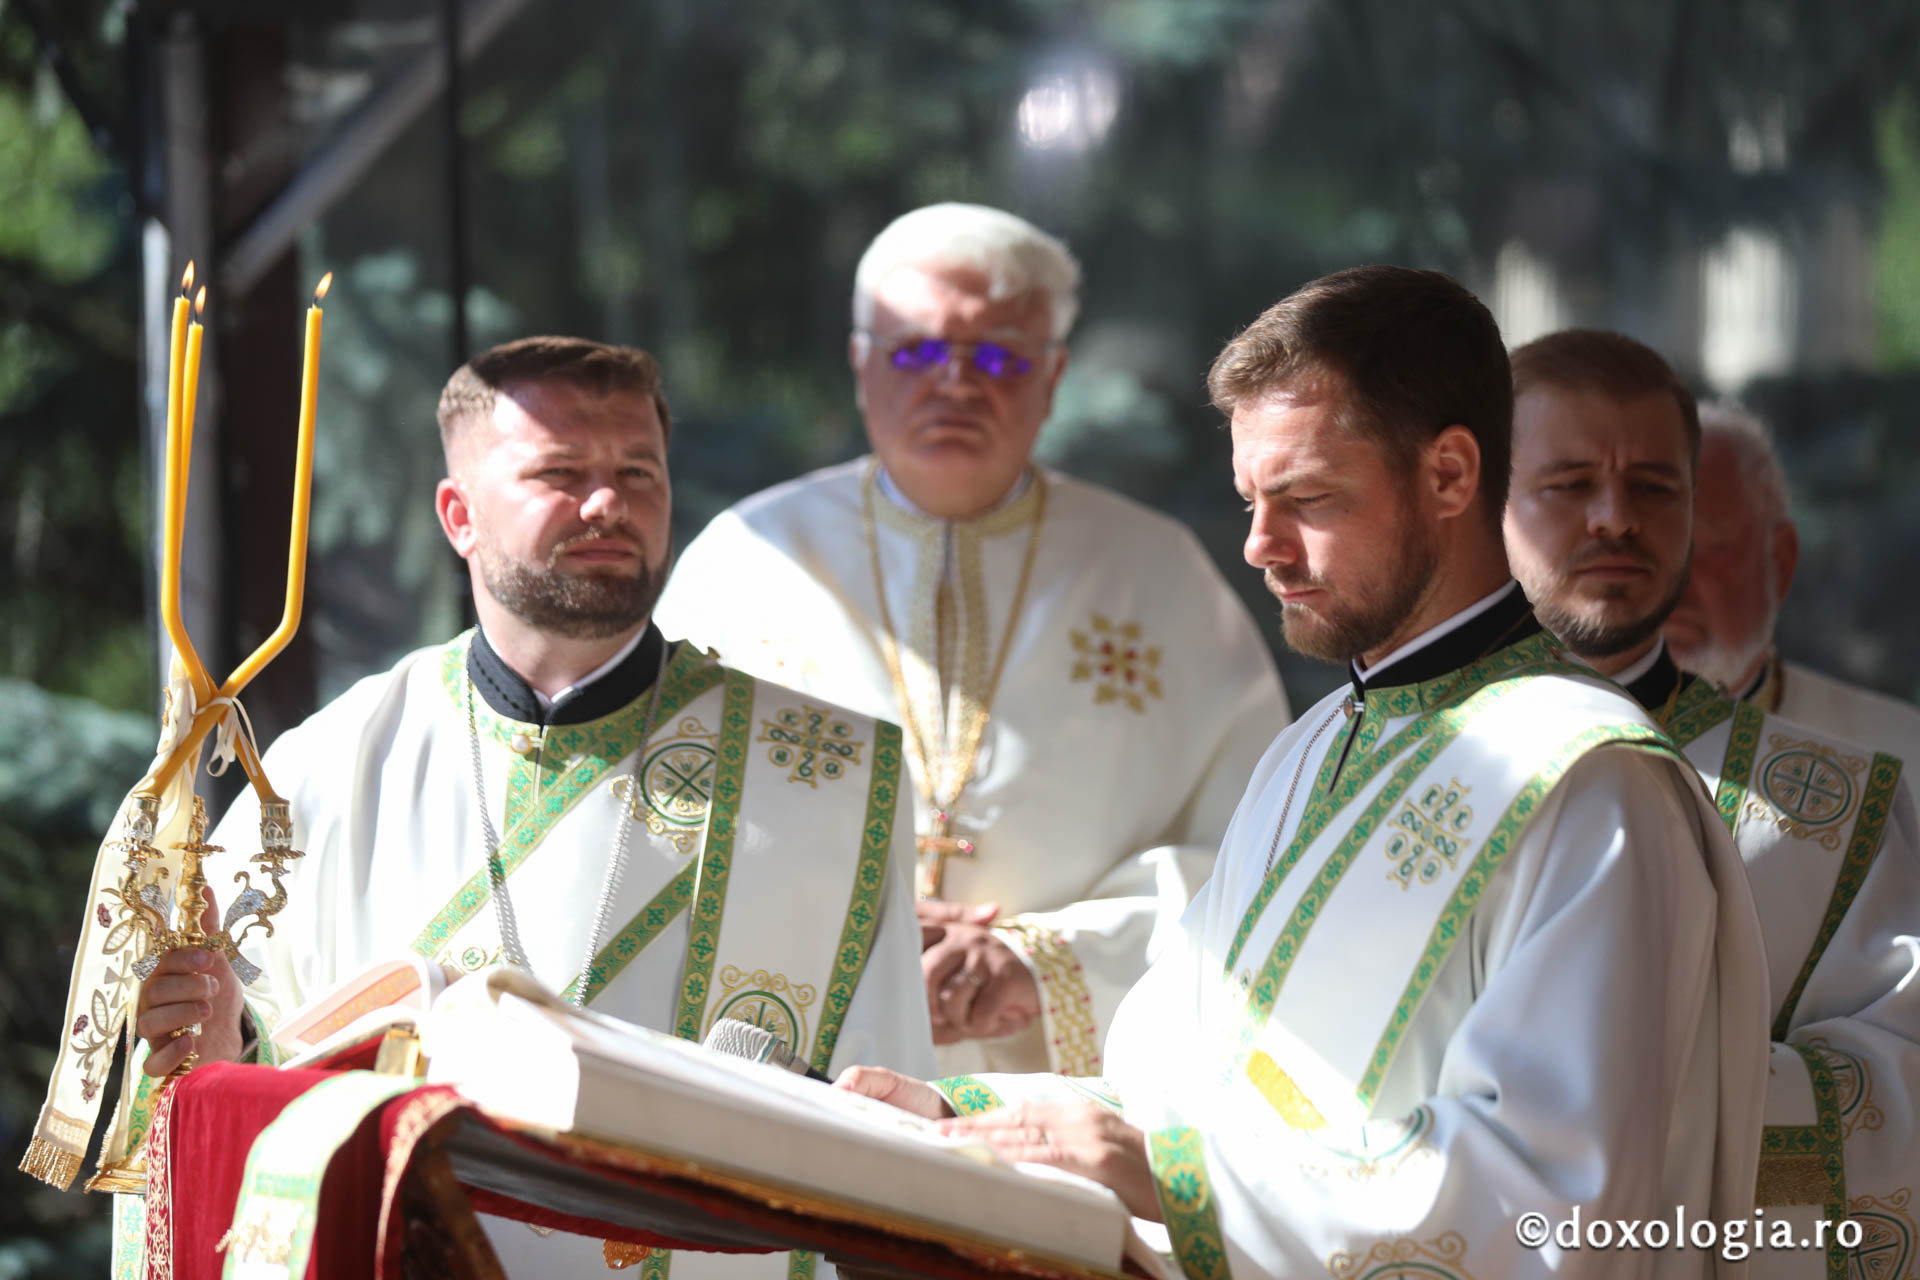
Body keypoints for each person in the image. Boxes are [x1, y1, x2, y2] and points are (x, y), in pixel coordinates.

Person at [841, 268, 1770, 1280]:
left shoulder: (1591, 783)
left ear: (1452, 476)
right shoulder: (1312, 743)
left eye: (1307, 499)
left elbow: (1559, 1203)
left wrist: (1173, 1179)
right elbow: (1181, 1080)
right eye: (1250, 498)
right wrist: (966, 1116)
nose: (1259, 545)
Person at [127, 337, 935, 1279]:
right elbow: (231, 1090)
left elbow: (892, 1133)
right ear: (459, 515)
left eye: (639, 471)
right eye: (561, 472)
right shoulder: (325, 772)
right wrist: (218, 1037)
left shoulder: (826, 775)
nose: (609, 504)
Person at [655, 203, 1288, 1077]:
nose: (955, 384)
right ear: (858, 364)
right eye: (914, 352)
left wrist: (1051, 957)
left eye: (997, 355)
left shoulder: (1159, 578)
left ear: (1053, 376)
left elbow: (1253, 854)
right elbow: (652, 816)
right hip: (790, 1055)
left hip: (1054, 1084)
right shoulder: (747, 560)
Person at [1502, 328, 1920, 1279]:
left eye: (1656, 489)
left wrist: (1633, 1122)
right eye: (1568, 485)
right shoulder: (1388, 763)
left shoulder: (1839, 811)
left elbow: (1907, 1096)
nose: (1616, 520)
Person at [1664, 401, 1920, 765]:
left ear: (1779, 561)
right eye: (1641, 555)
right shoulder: (1558, 738)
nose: (1669, 589)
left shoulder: (1899, 757)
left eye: (1708, 551)